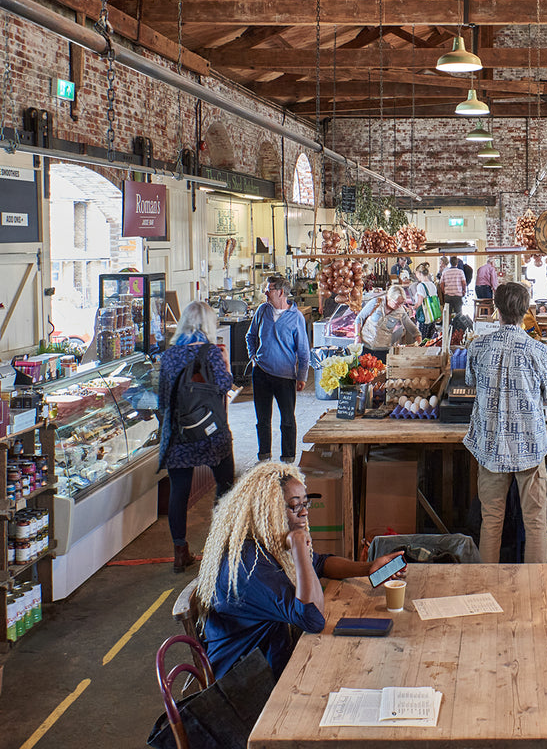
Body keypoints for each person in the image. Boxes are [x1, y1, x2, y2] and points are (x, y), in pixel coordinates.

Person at [197, 462, 405, 681]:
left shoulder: (267, 544)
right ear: (268, 510)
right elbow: (312, 618)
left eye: (306, 503)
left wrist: (367, 568)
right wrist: (298, 549)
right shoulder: (248, 565)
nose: (304, 512)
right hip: (247, 685)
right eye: (294, 506)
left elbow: (320, 563)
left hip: (273, 659)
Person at [464, 282, 547, 564]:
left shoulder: (477, 346)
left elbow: (470, 383)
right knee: (536, 522)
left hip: (490, 444)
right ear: (525, 310)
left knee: (491, 520)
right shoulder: (538, 351)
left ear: (497, 310)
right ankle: (535, 589)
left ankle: (491, 590)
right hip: (529, 445)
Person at [158, 300, 237, 573]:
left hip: (179, 437)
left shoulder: (168, 356)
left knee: (179, 494)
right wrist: (225, 365)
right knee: (226, 485)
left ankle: (180, 551)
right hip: (211, 434)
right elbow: (226, 386)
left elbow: (162, 400)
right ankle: (221, 543)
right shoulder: (212, 353)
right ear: (208, 324)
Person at [246, 275, 310, 464]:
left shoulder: (296, 317)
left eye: (269, 289)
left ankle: (288, 459)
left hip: (285, 376)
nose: (265, 292)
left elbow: (303, 350)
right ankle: (264, 457)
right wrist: (253, 357)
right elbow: (250, 336)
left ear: (281, 292)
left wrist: (302, 376)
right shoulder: (262, 310)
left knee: (287, 420)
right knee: (262, 420)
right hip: (261, 373)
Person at [355, 283, 420, 361]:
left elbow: (410, 326)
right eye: (397, 303)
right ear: (389, 298)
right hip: (366, 347)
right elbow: (359, 318)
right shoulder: (376, 303)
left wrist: (418, 338)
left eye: (402, 303)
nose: (399, 306)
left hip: (383, 351)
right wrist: (357, 336)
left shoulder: (400, 311)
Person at [413, 264, 440, 338]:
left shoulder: (421, 286)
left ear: (419, 273)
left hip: (424, 317)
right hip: (432, 316)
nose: (416, 276)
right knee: (430, 340)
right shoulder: (432, 284)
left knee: (422, 339)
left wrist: (413, 307)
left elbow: (420, 302)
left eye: (416, 274)